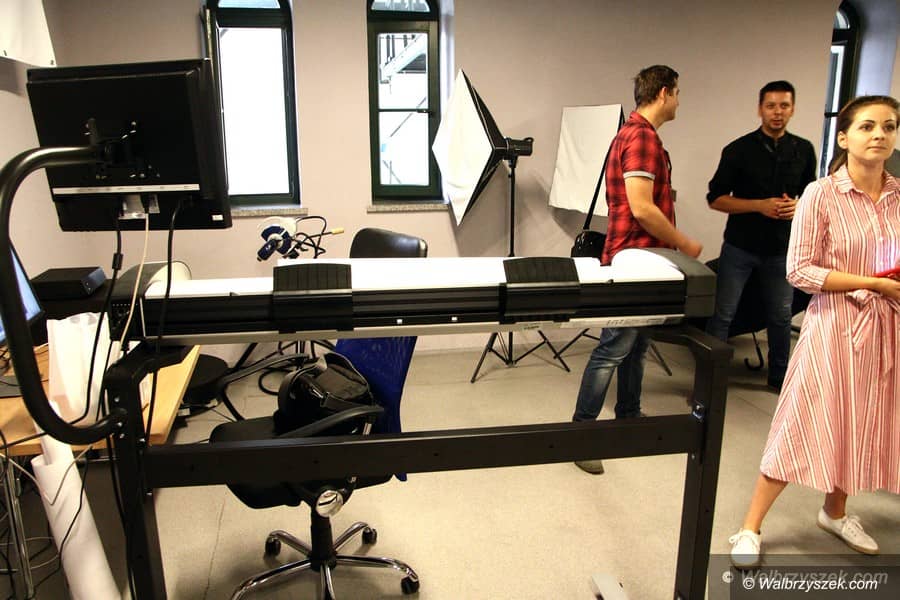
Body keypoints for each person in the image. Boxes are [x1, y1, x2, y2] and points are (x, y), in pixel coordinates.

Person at [729, 95, 900, 568]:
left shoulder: (899, 197)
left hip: (885, 328)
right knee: (801, 422)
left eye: (889, 126)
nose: (879, 134)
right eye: (867, 126)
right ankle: (750, 527)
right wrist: (872, 283)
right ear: (844, 137)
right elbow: (800, 269)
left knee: (862, 423)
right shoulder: (821, 195)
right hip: (834, 327)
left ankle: (835, 512)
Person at [572, 65, 702, 475]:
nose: (679, 101)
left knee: (638, 344)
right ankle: (581, 436)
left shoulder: (635, 135)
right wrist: (684, 243)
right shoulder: (641, 137)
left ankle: (629, 417)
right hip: (634, 262)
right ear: (664, 93)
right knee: (613, 348)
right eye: (677, 93)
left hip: (643, 260)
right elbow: (642, 208)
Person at [705, 81, 817, 391]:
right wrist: (759, 206)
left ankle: (780, 380)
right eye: (771, 106)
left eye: (784, 106)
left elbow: (812, 195)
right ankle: (710, 382)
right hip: (740, 247)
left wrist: (799, 206)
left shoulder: (804, 150)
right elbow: (715, 199)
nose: (777, 112)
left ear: (792, 109)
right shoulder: (738, 150)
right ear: (760, 109)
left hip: (781, 249)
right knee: (723, 315)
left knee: (780, 316)